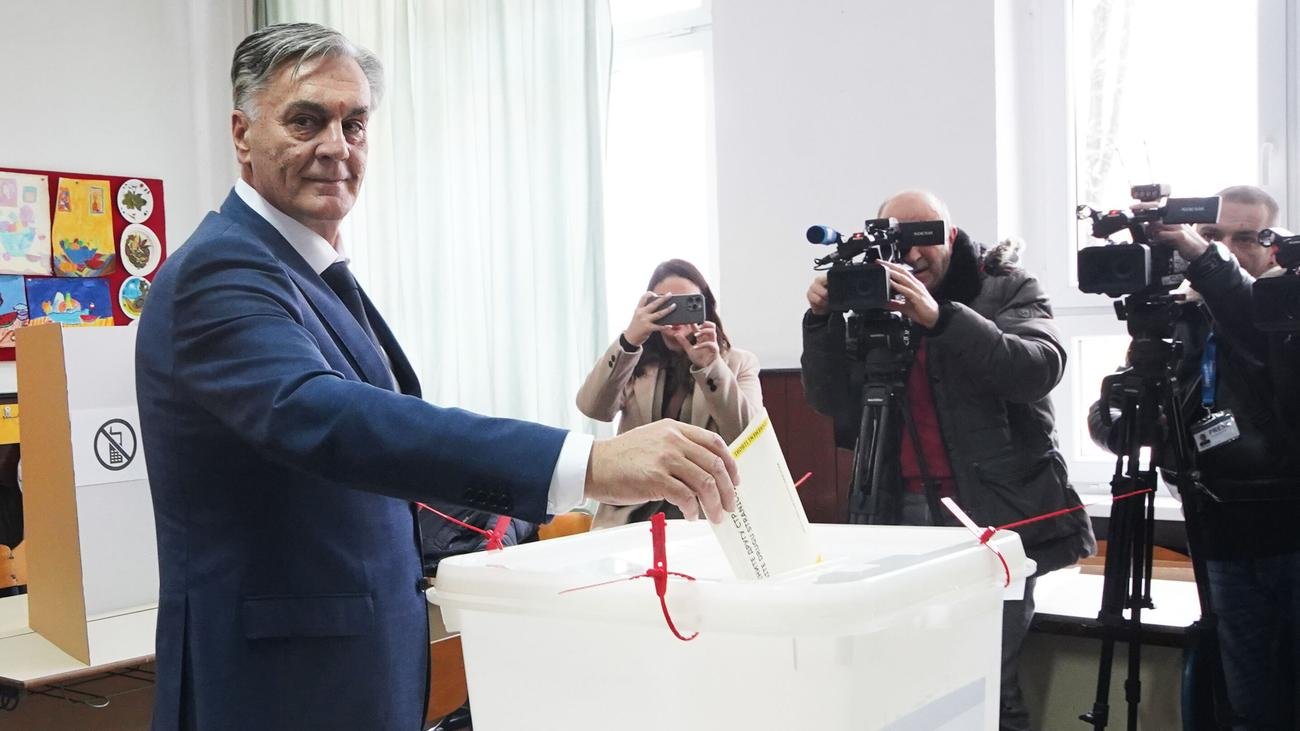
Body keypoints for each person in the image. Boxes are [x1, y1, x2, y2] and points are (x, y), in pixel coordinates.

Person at [135, 23, 739, 731]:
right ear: (242, 134)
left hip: (354, 673)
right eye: (305, 120)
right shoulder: (221, 269)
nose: (336, 146)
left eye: (354, 124)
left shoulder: (309, 272)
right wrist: (589, 462)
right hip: (275, 690)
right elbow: (323, 415)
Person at [801, 190, 1095, 731]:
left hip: (993, 515)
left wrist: (941, 318)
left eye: (926, 236)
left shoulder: (1005, 286)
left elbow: (1037, 368)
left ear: (952, 236)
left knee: (989, 684)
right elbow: (832, 401)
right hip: (897, 514)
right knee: (907, 683)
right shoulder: (870, 298)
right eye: (898, 238)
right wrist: (821, 322)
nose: (912, 254)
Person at [1090, 185, 1299, 729]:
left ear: (1274, 244)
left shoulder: (1286, 318)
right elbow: (1111, 413)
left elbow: (1249, 322)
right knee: (1249, 703)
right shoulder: (1177, 321)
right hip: (1219, 533)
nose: (1227, 249)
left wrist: (1204, 258)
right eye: (1211, 236)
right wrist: (1137, 428)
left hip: (1289, 531)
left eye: (1245, 238)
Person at [577, 259, 762, 528]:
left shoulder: (737, 363)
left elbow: (749, 436)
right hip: (630, 513)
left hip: (702, 514)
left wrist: (710, 366)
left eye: (687, 304)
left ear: (705, 307)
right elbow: (592, 407)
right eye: (665, 304)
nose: (675, 315)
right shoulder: (634, 361)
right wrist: (630, 339)